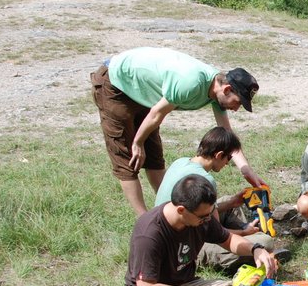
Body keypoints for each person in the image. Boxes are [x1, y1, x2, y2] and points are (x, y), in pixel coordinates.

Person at [90, 46, 264, 216]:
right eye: (238, 102)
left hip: (145, 94)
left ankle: (170, 209)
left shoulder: (216, 91)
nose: (236, 109)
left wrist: (246, 170)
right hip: (117, 84)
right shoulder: (191, 83)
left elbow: (228, 135)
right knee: (127, 157)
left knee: (154, 157)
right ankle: (144, 221)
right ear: (226, 89)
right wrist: (137, 142)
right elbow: (157, 113)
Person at [113, 174, 278, 286]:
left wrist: (256, 249)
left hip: (188, 285)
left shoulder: (201, 218)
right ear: (181, 210)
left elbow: (228, 240)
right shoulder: (149, 233)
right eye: (203, 216)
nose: (207, 219)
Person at [153, 127, 280, 272]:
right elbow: (218, 233)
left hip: (178, 225)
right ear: (219, 155)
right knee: (265, 242)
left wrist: (232, 202)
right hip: (184, 246)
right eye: (228, 158)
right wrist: (245, 234)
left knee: (229, 201)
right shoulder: (206, 179)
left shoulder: (180, 161)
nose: (227, 164)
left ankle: (248, 233)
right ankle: (251, 244)